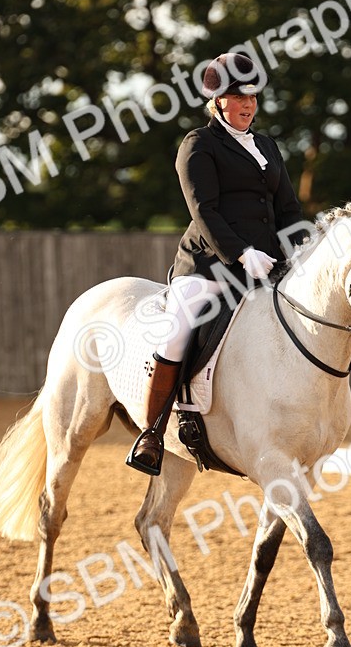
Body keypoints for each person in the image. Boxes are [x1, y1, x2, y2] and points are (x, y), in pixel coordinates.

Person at [127, 51, 304, 475]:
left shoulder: (266, 145)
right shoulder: (198, 145)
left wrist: (297, 249)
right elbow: (204, 210)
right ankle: (152, 433)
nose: (249, 106)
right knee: (178, 332)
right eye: (240, 98)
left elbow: (290, 207)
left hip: (268, 263)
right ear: (218, 101)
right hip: (210, 264)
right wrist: (242, 252)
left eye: (254, 98)